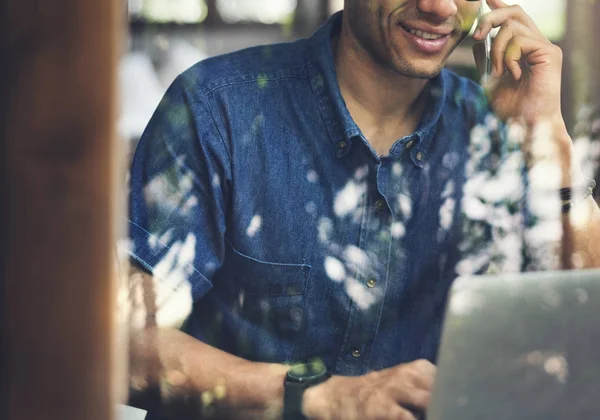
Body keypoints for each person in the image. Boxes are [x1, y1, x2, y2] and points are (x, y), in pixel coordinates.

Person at [126, 0, 600, 419]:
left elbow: (586, 343)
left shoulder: (495, 128)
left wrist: (549, 146)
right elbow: (122, 346)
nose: (438, 8)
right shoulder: (215, 108)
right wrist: (319, 398)